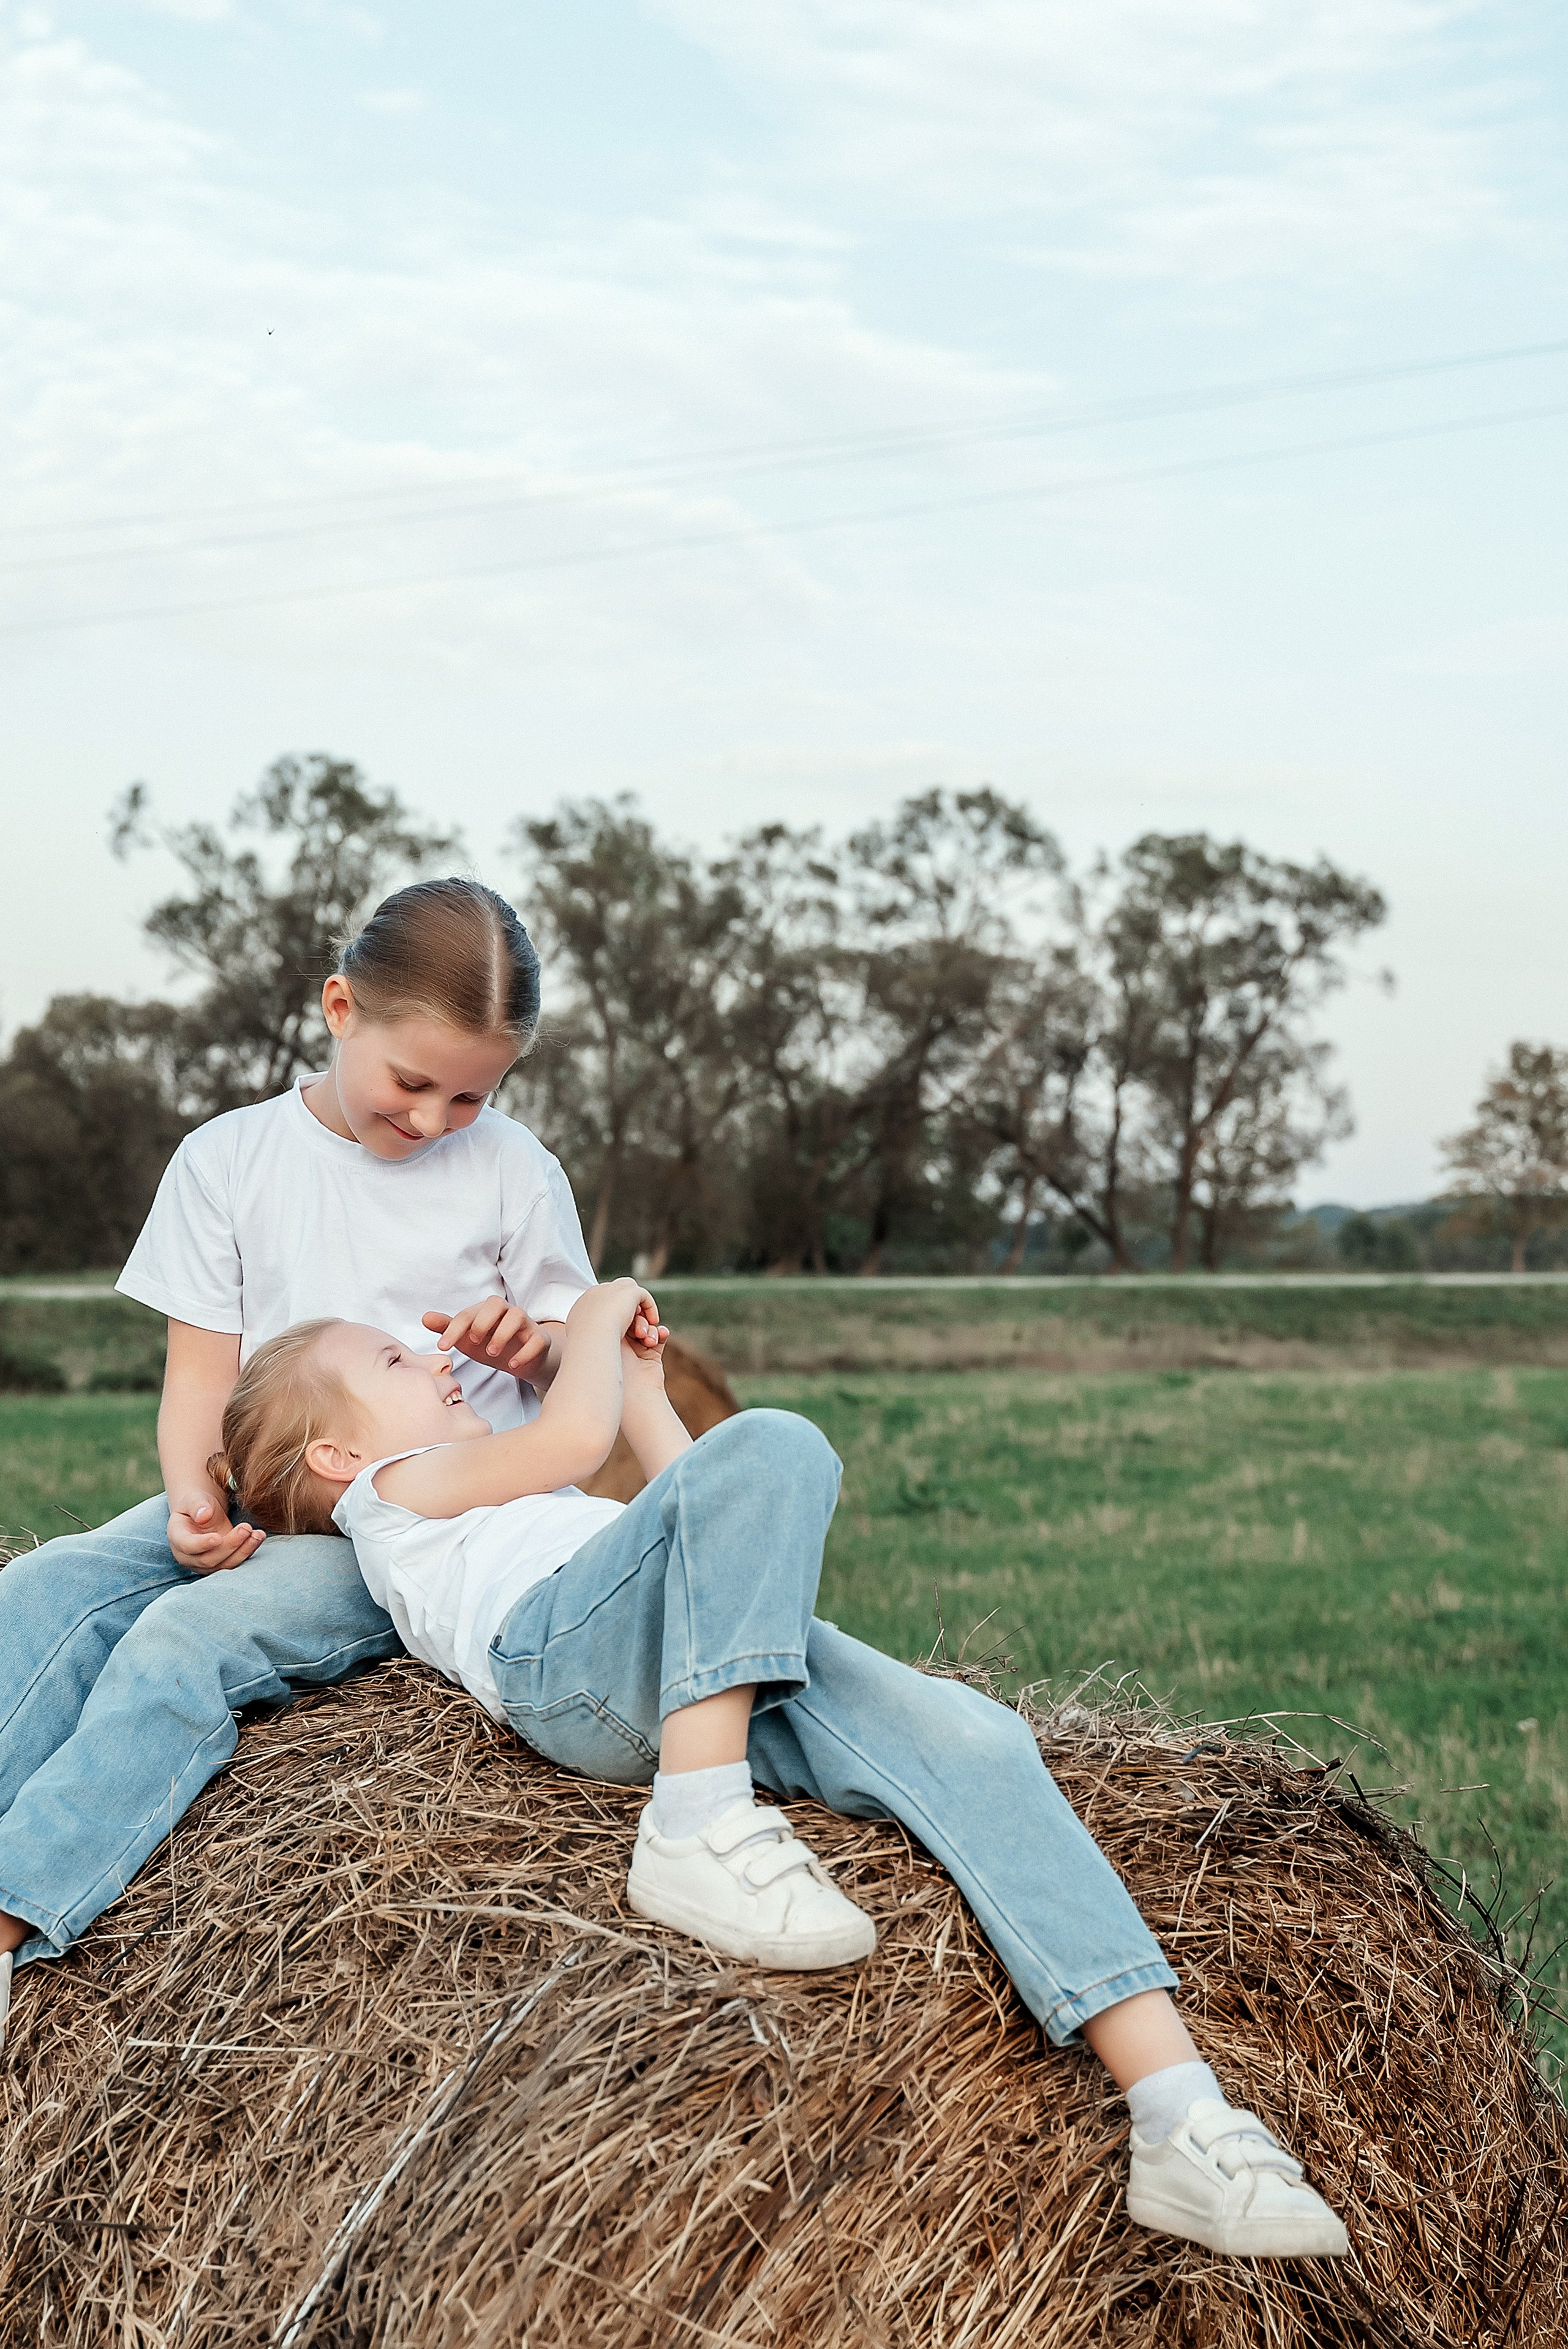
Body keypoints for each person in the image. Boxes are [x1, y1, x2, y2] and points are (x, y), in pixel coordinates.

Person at [202, 1280, 1351, 2262]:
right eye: (398, 1358)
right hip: (571, 1668)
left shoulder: (503, 1494)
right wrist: (592, 1320)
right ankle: (699, 1823)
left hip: (692, 1666)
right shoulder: (391, 1496)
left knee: (975, 1744)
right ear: (336, 1456)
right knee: (783, 1439)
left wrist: (647, 1392)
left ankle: (1180, 2116)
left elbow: (698, 1506)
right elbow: (571, 1442)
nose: (439, 1356)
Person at [0, 879, 633, 2030]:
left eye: (472, 1094)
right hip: (268, 1481)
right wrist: (195, 1495)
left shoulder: (512, 1169)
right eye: (413, 1082)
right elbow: (201, 1376)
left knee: (184, 1639)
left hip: (421, 1518)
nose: (438, 1119)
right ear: (341, 1008)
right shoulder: (227, 1161)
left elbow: (576, 1357)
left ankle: (14, 1909)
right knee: (43, 1588)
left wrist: (528, 1346)